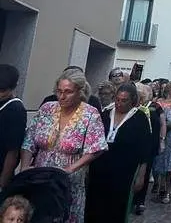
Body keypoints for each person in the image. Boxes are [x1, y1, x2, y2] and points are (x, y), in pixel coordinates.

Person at [20, 69, 107, 223]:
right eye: (59, 91)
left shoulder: (90, 114)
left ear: (80, 92)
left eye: (68, 92)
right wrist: (25, 167)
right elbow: (29, 140)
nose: (62, 96)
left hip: (69, 181)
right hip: (41, 177)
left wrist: (70, 169)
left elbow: (96, 147)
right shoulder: (47, 108)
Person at [84, 83, 151, 223]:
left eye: (124, 100)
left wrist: (141, 175)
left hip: (124, 170)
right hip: (99, 167)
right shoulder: (106, 114)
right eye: (117, 99)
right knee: (94, 204)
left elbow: (145, 149)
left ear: (132, 100)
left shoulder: (139, 118)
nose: (119, 103)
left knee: (116, 206)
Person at [131, 83, 165, 215]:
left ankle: (140, 201)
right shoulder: (132, 107)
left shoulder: (155, 106)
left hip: (151, 144)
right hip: (134, 144)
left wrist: (162, 141)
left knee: (145, 172)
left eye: (141, 94)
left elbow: (162, 124)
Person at [0, 65, 26, 191]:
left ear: (13, 88)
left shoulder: (15, 109)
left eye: (2, 90)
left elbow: (13, 151)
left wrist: (3, 183)